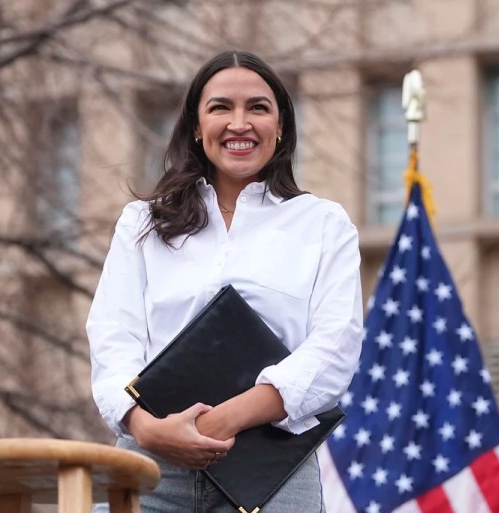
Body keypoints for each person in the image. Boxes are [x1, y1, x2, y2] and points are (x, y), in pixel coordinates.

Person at [87, 50, 363, 512]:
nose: (240, 123)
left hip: (270, 471)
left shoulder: (323, 224)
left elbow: (336, 346)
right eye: (220, 108)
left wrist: (226, 419)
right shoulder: (141, 224)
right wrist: (149, 429)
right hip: (151, 465)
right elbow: (113, 339)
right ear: (197, 127)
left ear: (281, 127)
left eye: (258, 107)